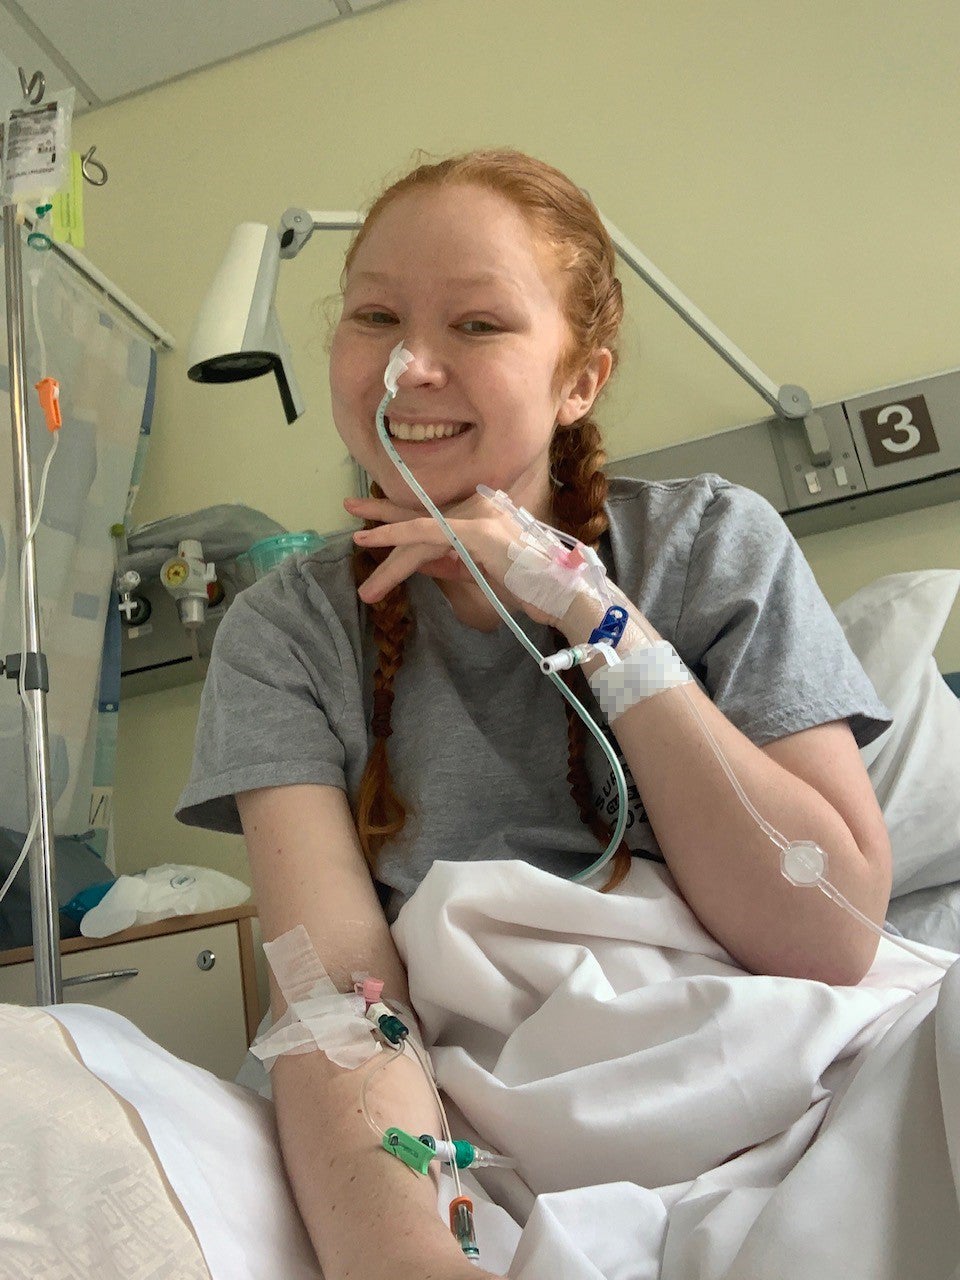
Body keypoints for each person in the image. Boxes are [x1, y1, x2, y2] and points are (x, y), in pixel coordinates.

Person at [176, 148, 894, 1280]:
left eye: (478, 325)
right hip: (476, 1114)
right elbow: (336, 996)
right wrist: (411, 1261)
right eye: (375, 315)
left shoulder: (710, 546)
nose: (409, 367)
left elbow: (831, 928)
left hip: (778, 1072)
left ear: (580, 381)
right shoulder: (289, 632)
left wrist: (587, 607)